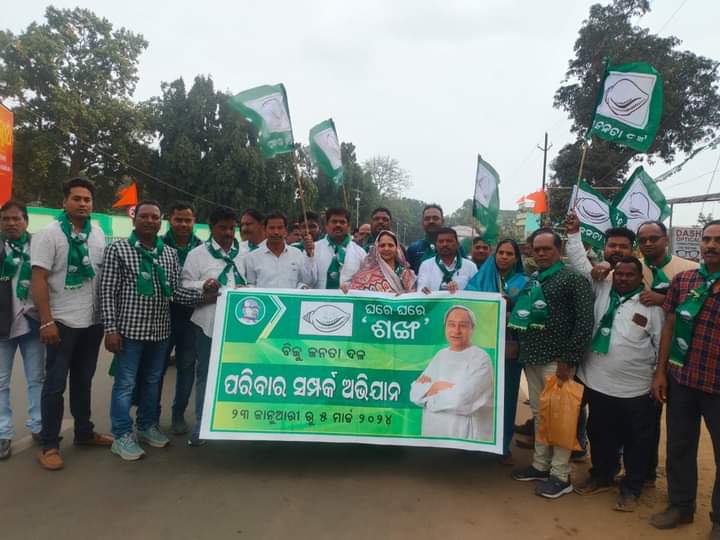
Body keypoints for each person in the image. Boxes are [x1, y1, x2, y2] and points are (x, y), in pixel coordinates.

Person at [101, 200, 210, 461]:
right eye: (144, 216)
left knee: (152, 380)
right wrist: (111, 329)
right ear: (134, 219)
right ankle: (121, 435)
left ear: (160, 221)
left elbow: (176, 292)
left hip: (160, 330)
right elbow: (107, 291)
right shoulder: (119, 249)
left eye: (154, 217)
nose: (150, 221)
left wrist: (206, 296)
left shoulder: (167, 254)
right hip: (129, 331)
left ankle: (147, 425)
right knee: (126, 383)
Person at [568, 256, 663, 512]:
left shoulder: (651, 305)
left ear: (640, 278)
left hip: (636, 389)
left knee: (636, 441)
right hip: (596, 383)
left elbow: (660, 344)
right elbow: (579, 262)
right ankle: (602, 476)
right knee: (599, 434)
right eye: (619, 274)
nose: (623, 278)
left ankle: (632, 488)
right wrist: (598, 261)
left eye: (630, 275)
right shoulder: (601, 292)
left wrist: (659, 376)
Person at [31, 177, 112, 471]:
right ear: (64, 201)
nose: (82, 204)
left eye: (87, 200)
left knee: (83, 379)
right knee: (54, 385)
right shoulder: (49, 235)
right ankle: (50, 445)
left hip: (92, 320)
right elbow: (39, 278)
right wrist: (46, 321)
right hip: (61, 321)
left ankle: (84, 432)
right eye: (76, 198)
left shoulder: (98, 234)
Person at [510, 228, 594, 499]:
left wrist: (568, 359)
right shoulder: (534, 279)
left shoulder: (573, 279)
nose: (541, 253)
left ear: (559, 250)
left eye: (547, 249)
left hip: (557, 362)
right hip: (532, 357)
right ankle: (540, 465)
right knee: (539, 414)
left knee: (560, 418)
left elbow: (584, 322)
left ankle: (560, 475)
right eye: (537, 249)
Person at [650, 220, 720, 536]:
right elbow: (670, 326)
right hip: (682, 379)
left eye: (718, 240)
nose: (711, 245)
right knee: (679, 446)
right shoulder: (685, 280)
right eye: (707, 239)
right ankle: (681, 506)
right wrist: (661, 373)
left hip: (717, 386)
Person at [182, 207, 245, 447]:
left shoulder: (245, 253)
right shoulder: (197, 254)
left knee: (239, 374)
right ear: (211, 228)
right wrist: (203, 285)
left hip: (240, 325)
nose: (228, 232)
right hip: (208, 323)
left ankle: (235, 424)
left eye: (232, 228)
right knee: (206, 375)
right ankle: (202, 426)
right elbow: (184, 284)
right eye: (222, 228)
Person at [466, 239, 528, 463]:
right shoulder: (480, 279)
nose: (504, 257)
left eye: (509, 254)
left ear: (516, 258)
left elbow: (529, 309)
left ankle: (502, 446)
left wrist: (511, 304)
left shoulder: (524, 282)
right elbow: (467, 301)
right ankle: (473, 442)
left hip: (509, 348)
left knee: (507, 397)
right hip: (481, 346)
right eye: (500, 252)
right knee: (477, 393)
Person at [0, 201, 44, 460]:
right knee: (1, 382)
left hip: (33, 323)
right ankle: (3, 433)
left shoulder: (38, 247)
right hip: (2, 326)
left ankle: (39, 426)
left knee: (36, 378)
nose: (11, 223)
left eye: (16, 218)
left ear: (26, 220)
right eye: (6, 219)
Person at [410, 306, 494, 440]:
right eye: (451, 325)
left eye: (463, 325)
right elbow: (414, 393)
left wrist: (428, 394)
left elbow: (460, 399)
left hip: (461, 435)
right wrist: (437, 387)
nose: (456, 330)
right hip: (432, 434)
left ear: (472, 328)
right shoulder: (441, 355)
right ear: (445, 327)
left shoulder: (480, 358)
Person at [161, 201, 203, 435]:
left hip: (191, 318)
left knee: (186, 368)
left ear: (194, 221)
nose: (183, 224)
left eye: (188, 220)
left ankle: (178, 414)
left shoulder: (202, 249)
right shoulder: (158, 244)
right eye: (179, 219)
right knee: (156, 370)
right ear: (170, 220)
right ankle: (150, 417)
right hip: (161, 317)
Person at [244, 211, 317, 289]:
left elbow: (307, 281)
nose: (276, 232)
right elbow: (251, 285)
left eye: (280, 228)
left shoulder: (297, 254)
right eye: (272, 228)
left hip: (290, 297)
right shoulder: (252, 257)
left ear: (285, 230)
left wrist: (309, 255)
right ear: (264, 230)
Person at [637, 221, 698, 306]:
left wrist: (665, 300)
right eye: (642, 240)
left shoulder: (692, 268)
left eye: (653, 239)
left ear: (666, 240)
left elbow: (699, 302)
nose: (648, 243)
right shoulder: (631, 269)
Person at [313, 208, 366, 289]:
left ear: (348, 226)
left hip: (349, 297)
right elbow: (306, 280)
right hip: (319, 297)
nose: (338, 225)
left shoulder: (360, 253)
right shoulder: (313, 249)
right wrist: (308, 256)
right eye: (334, 222)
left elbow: (364, 282)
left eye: (342, 222)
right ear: (326, 226)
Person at [347, 230, 416, 293]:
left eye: (390, 245)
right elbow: (354, 294)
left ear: (396, 248)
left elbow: (413, 296)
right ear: (377, 248)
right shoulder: (364, 276)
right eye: (382, 245)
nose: (386, 248)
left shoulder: (406, 274)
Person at [417, 227, 476, 293]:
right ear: (436, 245)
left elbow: (476, 292)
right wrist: (424, 291)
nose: (445, 244)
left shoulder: (470, 267)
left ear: (457, 244)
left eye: (449, 241)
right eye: (441, 241)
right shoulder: (426, 265)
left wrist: (459, 292)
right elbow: (421, 289)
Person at [406, 204, 445, 273]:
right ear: (422, 223)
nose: (431, 221)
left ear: (442, 221)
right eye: (427, 219)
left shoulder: (455, 247)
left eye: (435, 218)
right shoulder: (413, 249)